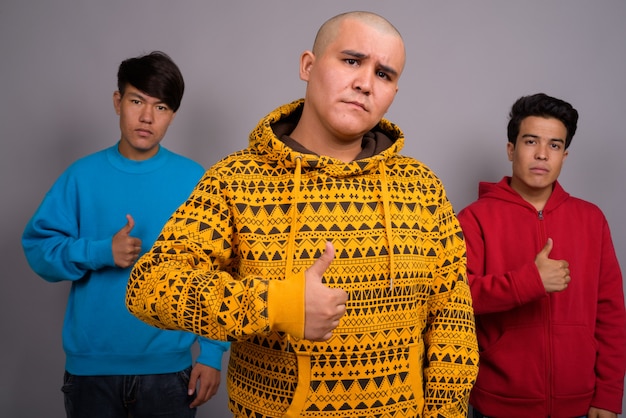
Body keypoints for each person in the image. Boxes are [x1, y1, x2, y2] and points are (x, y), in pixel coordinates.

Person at [125, 11, 478, 418]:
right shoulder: (237, 179)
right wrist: (277, 304)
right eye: (351, 61)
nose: (365, 82)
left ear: (394, 91)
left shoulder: (422, 187)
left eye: (383, 74)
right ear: (308, 66)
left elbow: (453, 321)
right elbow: (149, 287)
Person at [22, 51, 229, 417]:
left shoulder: (195, 180)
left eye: (161, 107)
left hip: (170, 371)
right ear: (118, 102)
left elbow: (217, 272)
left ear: (172, 115)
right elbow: (39, 250)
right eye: (137, 101)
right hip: (92, 372)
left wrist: (212, 354)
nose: (147, 117)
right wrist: (101, 252)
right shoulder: (81, 177)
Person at [457, 93, 626, 418]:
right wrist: (528, 282)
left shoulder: (591, 220)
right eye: (530, 141)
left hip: (578, 404)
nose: (541, 155)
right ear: (511, 149)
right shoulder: (474, 219)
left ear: (565, 155)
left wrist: (608, 394)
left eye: (554, 145)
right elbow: (458, 298)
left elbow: (611, 314)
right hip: (498, 404)